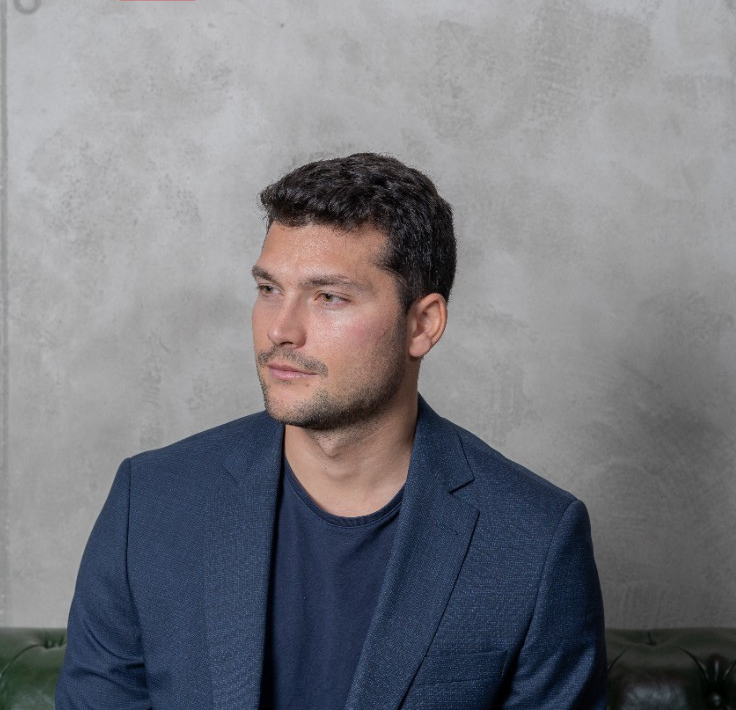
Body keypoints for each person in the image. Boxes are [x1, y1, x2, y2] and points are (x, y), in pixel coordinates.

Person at [56, 153, 607, 709]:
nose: (281, 330)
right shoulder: (151, 503)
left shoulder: (533, 540)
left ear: (423, 324)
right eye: (269, 289)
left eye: (329, 297)